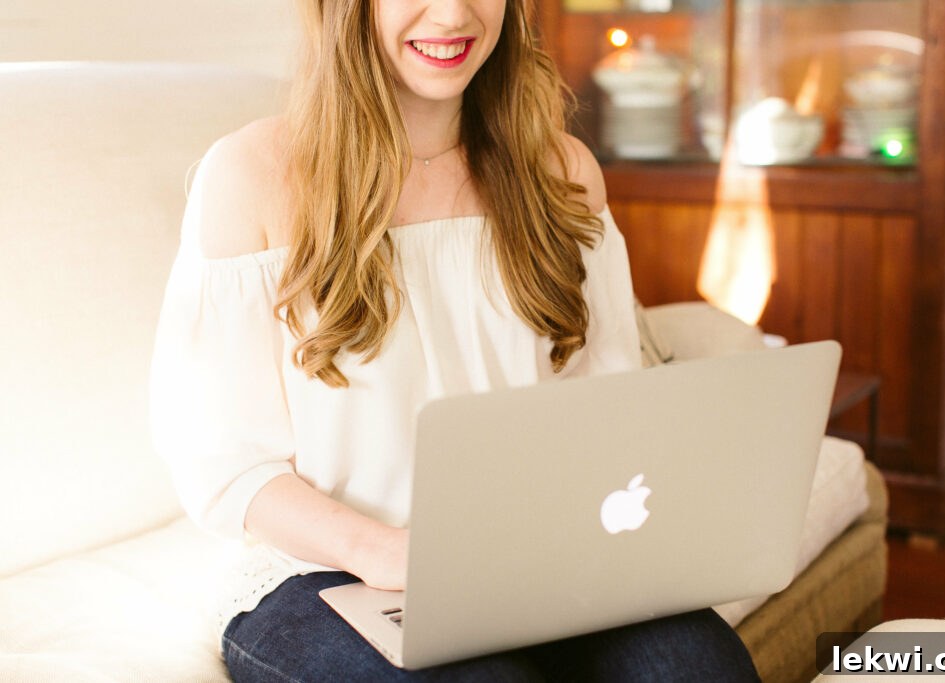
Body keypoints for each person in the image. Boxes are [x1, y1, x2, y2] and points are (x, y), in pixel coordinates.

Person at [150, 0, 762, 680]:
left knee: (695, 665)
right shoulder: (254, 174)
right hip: (319, 573)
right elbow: (224, 461)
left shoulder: (562, 171)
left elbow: (607, 408)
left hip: (531, 559)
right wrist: (385, 551)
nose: (451, 15)